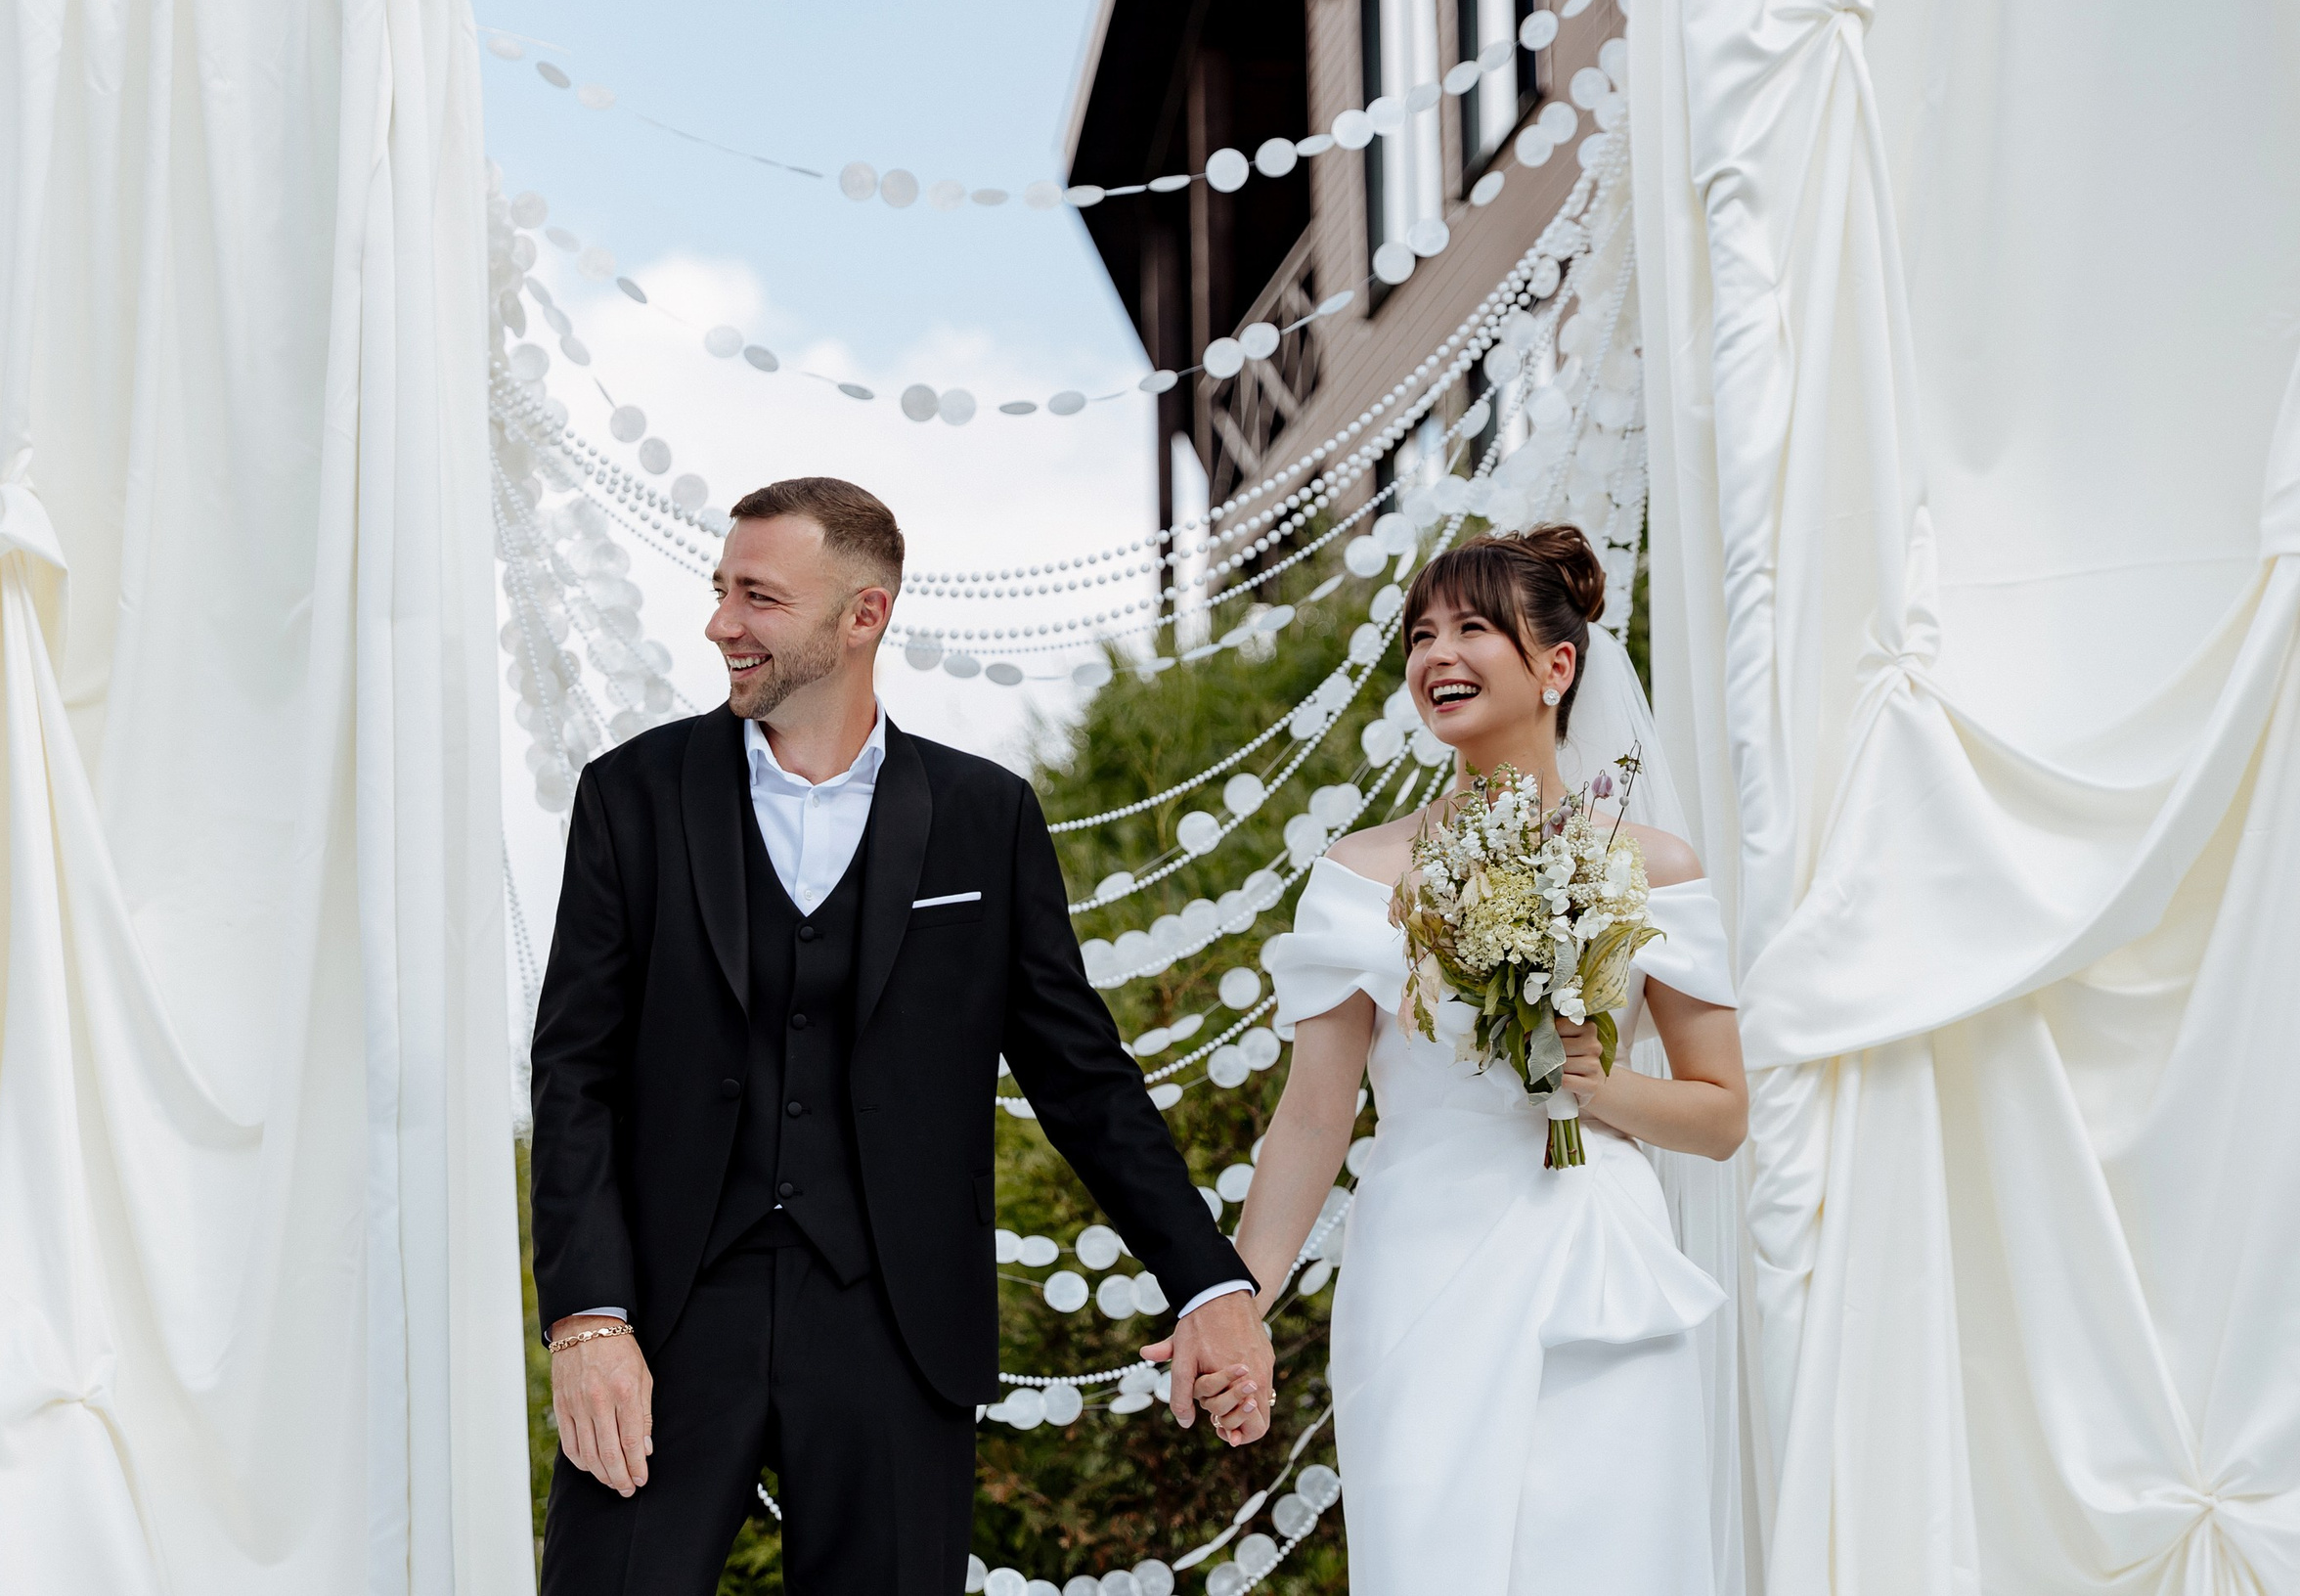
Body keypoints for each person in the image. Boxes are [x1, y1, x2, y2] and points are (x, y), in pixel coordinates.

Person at [528, 476, 1274, 1596]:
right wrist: (587, 1321)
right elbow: (574, 1074)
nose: (721, 623)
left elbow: (1082, 1079)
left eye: (759, 597)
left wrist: (1208, 1286)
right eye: (720, 590)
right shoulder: (630, 798)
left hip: (891, 1327)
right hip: (667, 1322)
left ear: (862, 615)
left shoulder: (985, 818)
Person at [1204, 524, 1748, 1593]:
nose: (1435, 654)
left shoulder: (1654, 867)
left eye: (1471, 629)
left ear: (1557, 666)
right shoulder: (1359, 874)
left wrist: (1599, 1085)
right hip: (1420, 1259)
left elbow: (1722, 1116)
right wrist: (1239, 1303)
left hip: (1598, 1263)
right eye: (1419, 634)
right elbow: (1313, 1118)